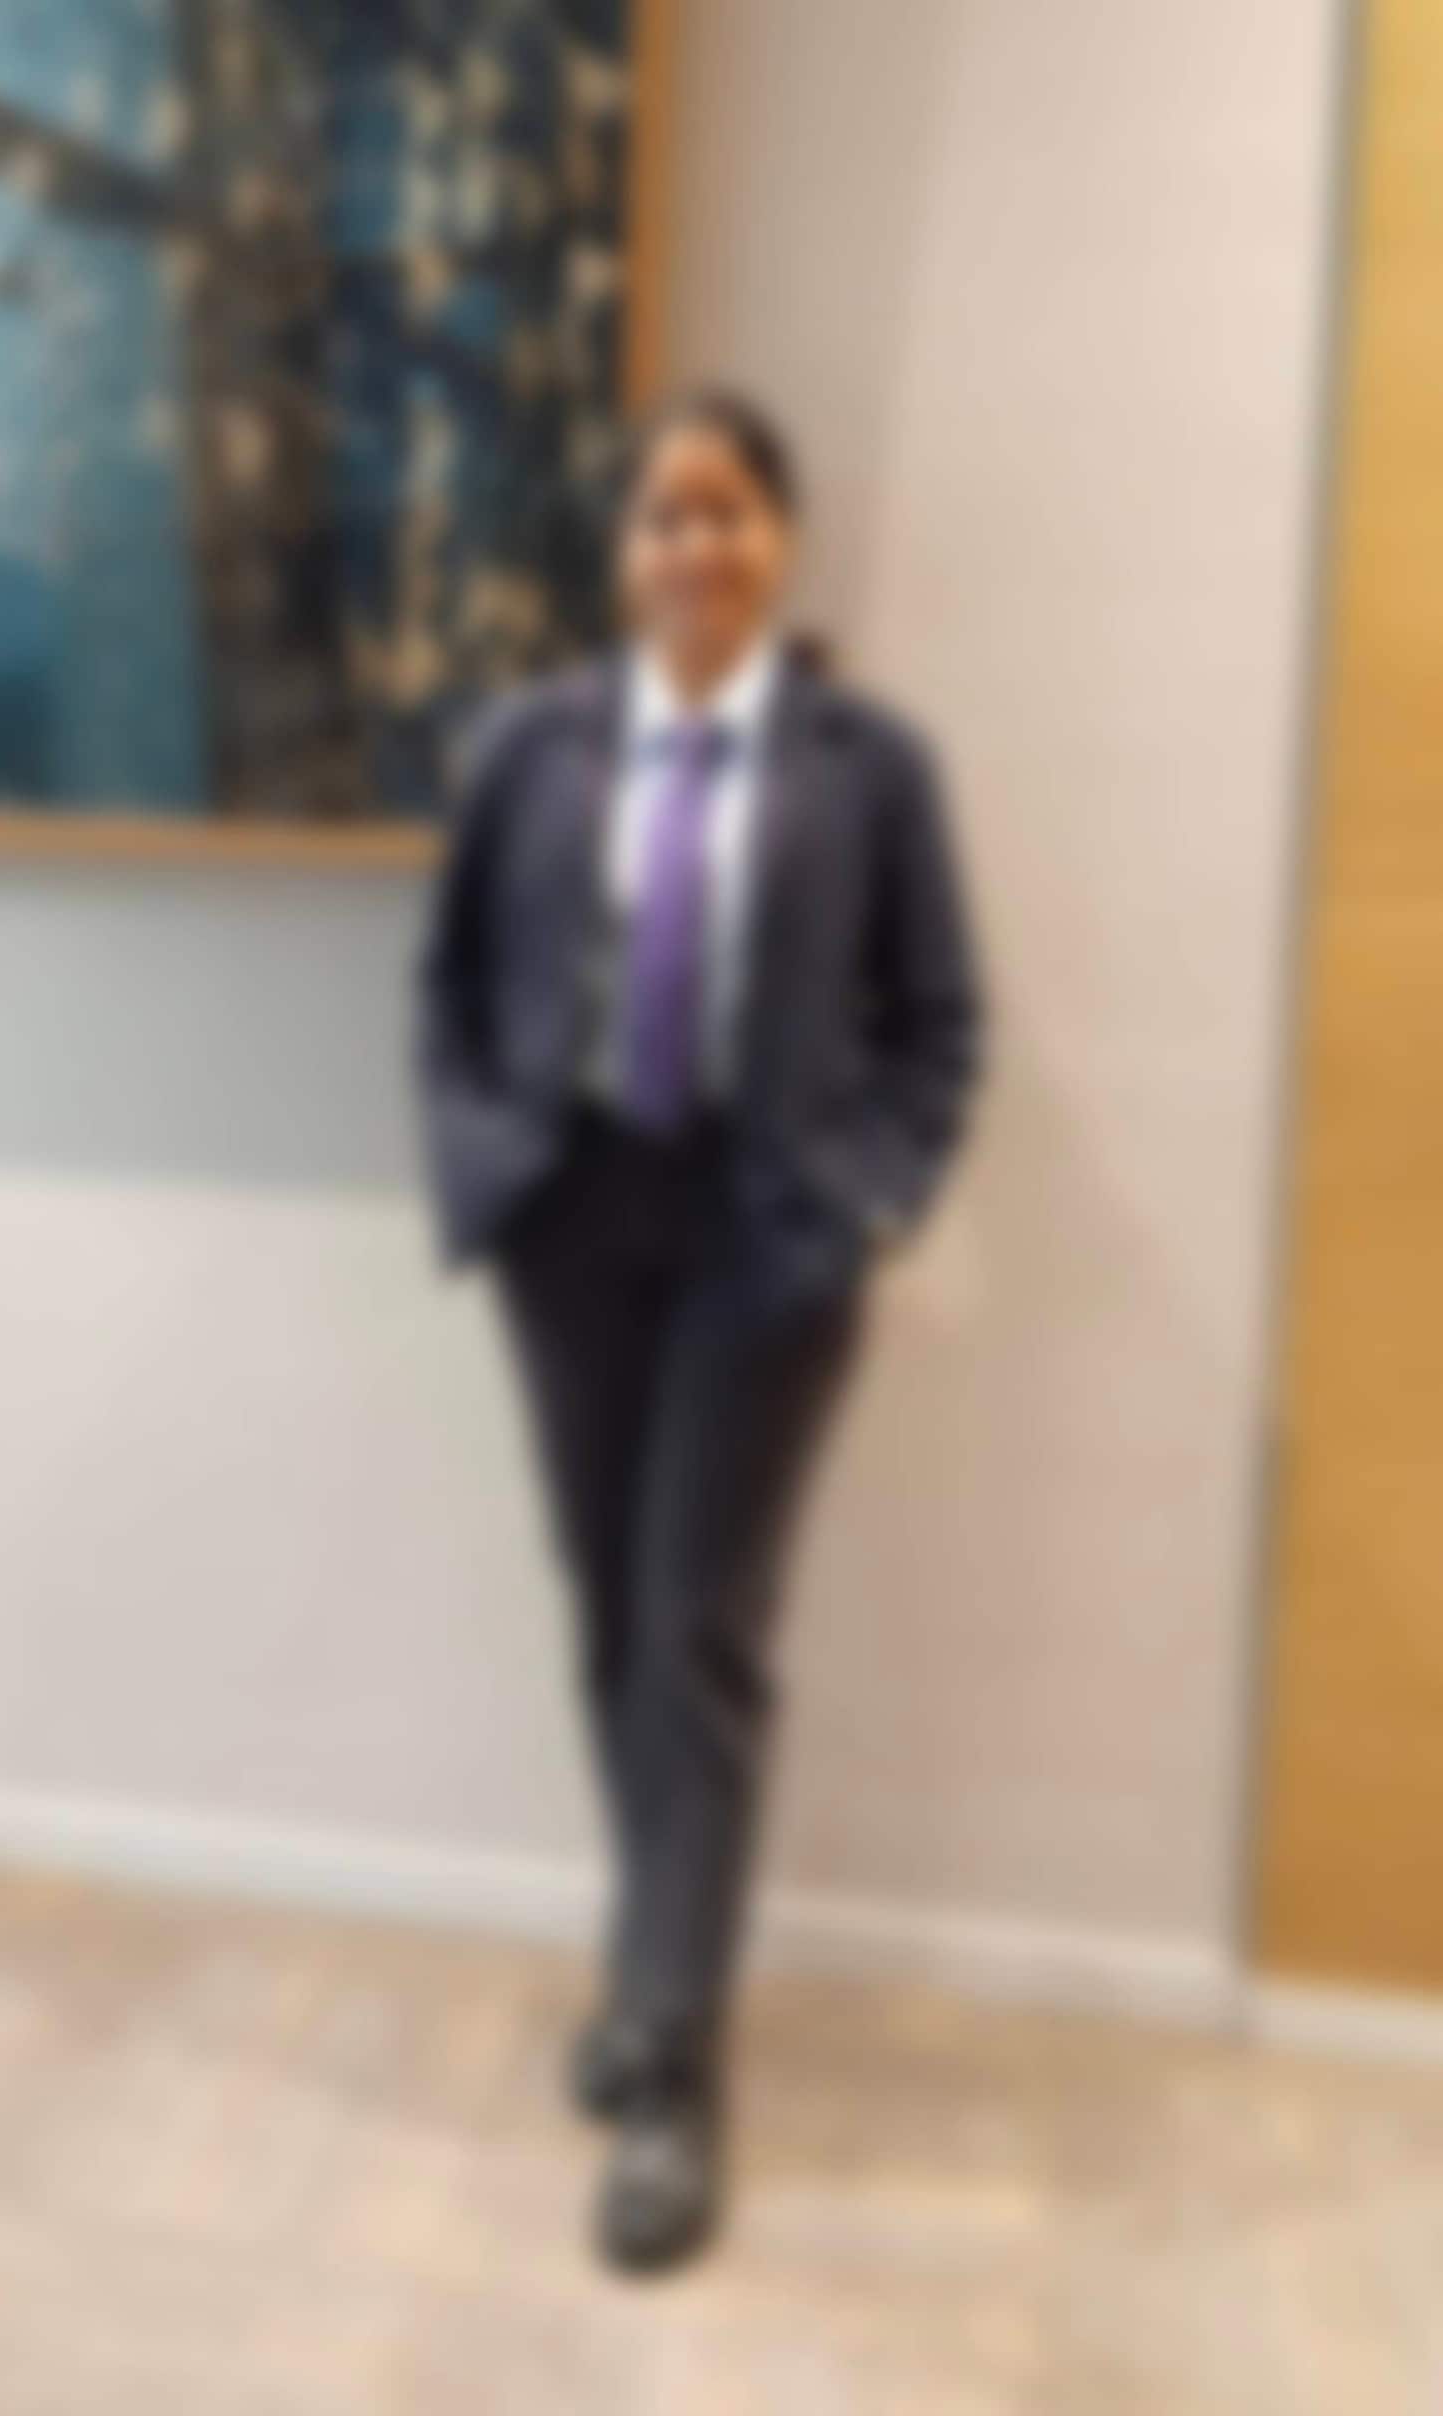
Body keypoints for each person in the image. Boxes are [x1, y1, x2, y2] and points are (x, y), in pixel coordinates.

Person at [415, 389, 984, 2274]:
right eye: (665, 515)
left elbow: (940, 1023)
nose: (696, 547)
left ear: (782, 540)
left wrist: (872, 1201)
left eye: (729, 512)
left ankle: (674, 2064)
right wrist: (487, 1169)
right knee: (608, 1618)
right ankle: (653, 1965)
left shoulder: (868, 766)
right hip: (574, 1226)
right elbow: (448, 988)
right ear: (622, 551)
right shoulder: (531, 747)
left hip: (766, 1240)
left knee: (700, 1638)